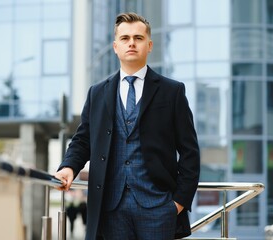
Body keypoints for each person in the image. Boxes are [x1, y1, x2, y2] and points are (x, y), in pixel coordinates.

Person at [55, 12, 200, 240]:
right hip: (111, 208)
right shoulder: (98, 92)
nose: (131, 43)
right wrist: (68, 167)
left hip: (158, 208)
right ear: (115, 46)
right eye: (124, 38)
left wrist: (178, 203)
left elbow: (190, 151)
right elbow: (83, 139)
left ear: (149, 45)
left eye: (138, 38)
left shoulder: (172, 91)